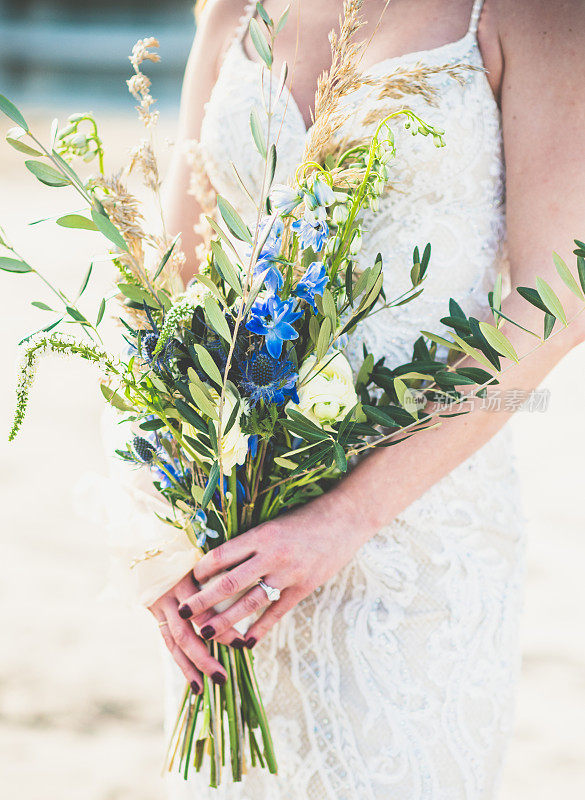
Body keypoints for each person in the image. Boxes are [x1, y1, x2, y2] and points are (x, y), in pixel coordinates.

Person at [143, 1, 585, 796]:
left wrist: (343, 517)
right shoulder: (232, 9)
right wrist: (158, 532)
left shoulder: (535, 14)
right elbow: (174, 282)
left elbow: (558, 299)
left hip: (416, 538)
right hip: (236, 535)